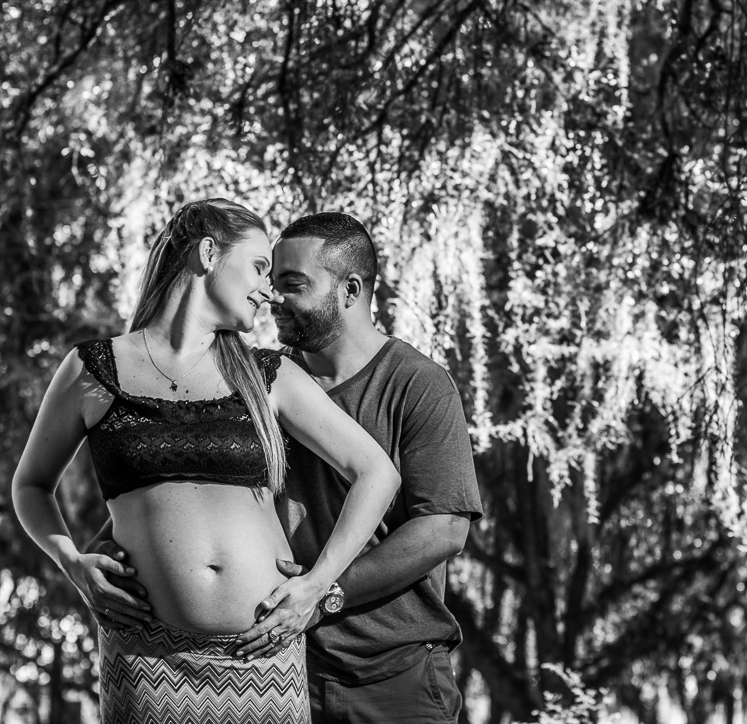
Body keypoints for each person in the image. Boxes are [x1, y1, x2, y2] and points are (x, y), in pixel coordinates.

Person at [11, 199, 400, 724]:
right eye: (259, 267)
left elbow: (377, 473)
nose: (268, 291)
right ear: (209, 253)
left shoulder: (267, 375)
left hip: (263, 661)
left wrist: (316, 586)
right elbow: (31, 485)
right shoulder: (92, 369)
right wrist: (72, 562)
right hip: (147, 663)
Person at [91, 211, 484, 723]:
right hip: (273, 668)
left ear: (350, 290)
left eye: (293, 284)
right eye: (270, 280)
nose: (272, 296)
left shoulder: (417, 384)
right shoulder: (256, 379)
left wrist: (324, 593)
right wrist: (110, 547)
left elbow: (444, 530)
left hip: (392, 674)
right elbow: (189, 484)